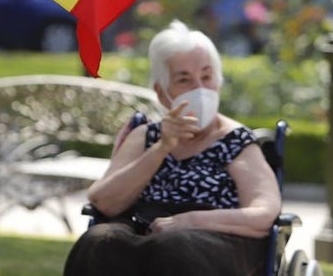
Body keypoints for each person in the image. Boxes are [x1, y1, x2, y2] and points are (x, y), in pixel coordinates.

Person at [63, 20, 281, 276]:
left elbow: (264, 213)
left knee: (175, 246)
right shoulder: (145, 136)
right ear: (162, 92)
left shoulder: (236, 141)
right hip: (143, 229)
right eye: (184, 80)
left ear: (218, 82)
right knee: (99, 241)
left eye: (207, 77)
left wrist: (190, 221)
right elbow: (103, 201)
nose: (199, 89)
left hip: (212, 240)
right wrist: (162, 147)